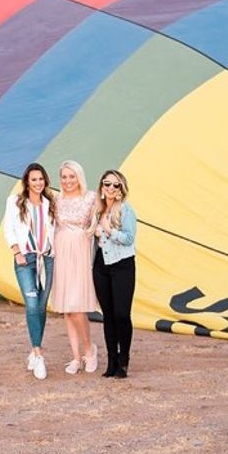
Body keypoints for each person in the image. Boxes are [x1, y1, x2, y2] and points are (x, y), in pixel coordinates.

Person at [4, 162, 56, 379]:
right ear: (27, 181)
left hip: (47, 258)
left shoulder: (50, 202)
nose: (38, 183)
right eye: (34, 179)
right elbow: (9, 228)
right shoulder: (15, 201)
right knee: (32, 303)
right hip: (26, 259)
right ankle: (38, 354)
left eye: (41, 179)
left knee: (42, 306)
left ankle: (35, 349)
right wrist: (17, 253)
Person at [52, 160, 99, 374]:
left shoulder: (91, 198)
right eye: (64, 177)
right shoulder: (55, 199)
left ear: (79, 177)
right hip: (62, 253)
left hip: (80, 253)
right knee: (67, 310)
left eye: (72, 176)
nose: (68, 181)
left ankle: (90, 350)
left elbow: (99, 222)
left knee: (77, 307)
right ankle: (75, 357)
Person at [91, 169, 137, 378]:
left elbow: (128, 238)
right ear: (101, 187)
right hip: (101, 265)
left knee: (121, 314)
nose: (110, 188)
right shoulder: (97, 211)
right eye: (107, 184)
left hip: (122, 265)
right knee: (108, 315)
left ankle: (123, 359)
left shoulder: (126, 211)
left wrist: (109, 230)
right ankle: (111, 361)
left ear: (121, 189)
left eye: (115, 185)